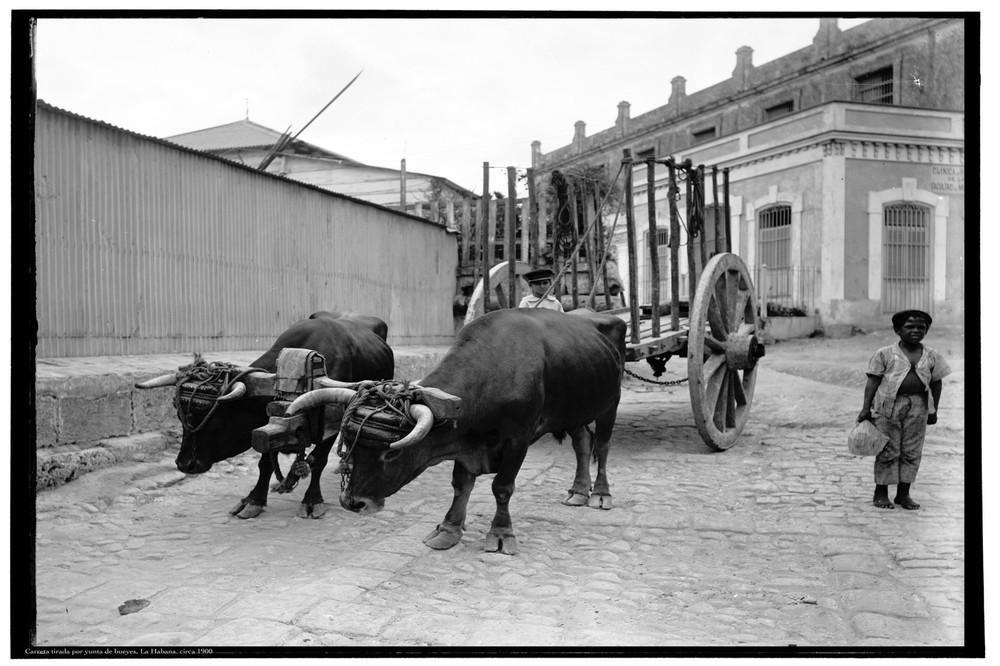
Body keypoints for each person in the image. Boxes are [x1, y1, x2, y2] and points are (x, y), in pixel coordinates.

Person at [857, 309, 951, 510]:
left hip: (918, 406)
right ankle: (881, 492)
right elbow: (872, 382)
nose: (916, 331)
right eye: (910, 327)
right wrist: (865, 408)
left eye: (921, 327)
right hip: (887, 406)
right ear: (897, 330)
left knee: (912, 450)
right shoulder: (884, 354)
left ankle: (903, 494)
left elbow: (936, 383)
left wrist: (934, 410)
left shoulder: (932, 355)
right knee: (888, 448)